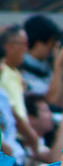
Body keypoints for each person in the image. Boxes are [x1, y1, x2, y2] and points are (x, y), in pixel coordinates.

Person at [22, 15, 63, 107]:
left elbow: (62, 102)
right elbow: (51, 101)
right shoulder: (22, 67)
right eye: (52, 43)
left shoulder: (45, 67)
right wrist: (58, 64)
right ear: (39, 44)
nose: (53, 48)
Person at [0, 25, 39, 154]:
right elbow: (12, 112)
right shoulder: (3, 73)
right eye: (24, 44)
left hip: (16, 145)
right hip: (8, 144)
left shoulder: (15, 73)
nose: (26, 49)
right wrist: (32, 136)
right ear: (10, 46)